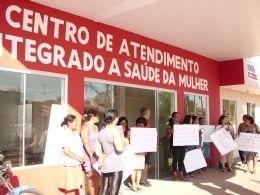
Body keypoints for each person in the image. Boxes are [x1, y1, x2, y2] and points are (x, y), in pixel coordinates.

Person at [95, 109, 129, 195]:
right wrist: (126, 143)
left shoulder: (101, 132)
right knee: (113, 191)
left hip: (105, 164)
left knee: (103, 189)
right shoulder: (115, 131)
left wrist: (102, 156)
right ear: (116, 118)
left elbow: (97, 149)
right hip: (116, 165)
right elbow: (120, 149)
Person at [59, 114, 85, 195]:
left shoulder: (76, 133)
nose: (77, 124)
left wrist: (80, 157)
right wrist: (78, 158)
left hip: (77, 164)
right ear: (69, 123)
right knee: (70, 188)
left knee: (77, 186)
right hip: (70, 164)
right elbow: (66, 151)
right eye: (75, 122)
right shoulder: (65, 133)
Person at [81, 108, 100, 195]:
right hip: (89, 156)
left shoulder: (96, 127)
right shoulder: (85, 127)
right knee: (92, 177)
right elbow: (85, 143)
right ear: (92, 117)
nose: (99, 117)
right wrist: (91, 155)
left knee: (97, 177)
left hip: (96, 154)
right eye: (97, 115)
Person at [164, 112, 186, 180]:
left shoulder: (182, 125)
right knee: (175, 160)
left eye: (179, 116)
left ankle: (181, 175)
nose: (178, 118)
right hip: (175, 146)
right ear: (173, 118)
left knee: (181, 160)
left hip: (183, 145)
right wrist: (171, 132)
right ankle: (175, 175)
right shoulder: (170, 126)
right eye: (176, 117)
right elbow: (167, 137)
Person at [130, 117, 147, 192]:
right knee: (133, 168)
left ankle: (137, 184)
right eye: (139, 125)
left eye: (143, 125)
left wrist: (146, 150)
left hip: (142, 152)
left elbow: (147, 142)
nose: (141, 127)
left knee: (139, 169)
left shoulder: (145, 133)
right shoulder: (131, 131)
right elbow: (127, 141)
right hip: (133, 152)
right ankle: (133, 184)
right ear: (136, 124)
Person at [139, 107, 152, 187]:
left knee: (146, 163)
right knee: (144, 163)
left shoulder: (145, 121)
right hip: (144, 146)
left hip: (147, 145)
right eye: (149, 113)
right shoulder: (142, 122)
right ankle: (143, 181)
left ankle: (144, 179)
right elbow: (143, 134)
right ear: (146, 113)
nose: (149, 114)